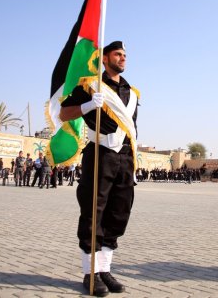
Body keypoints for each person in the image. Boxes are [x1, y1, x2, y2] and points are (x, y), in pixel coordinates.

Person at [60, 41, 139, 297]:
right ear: (104, 58)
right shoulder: (90, 86)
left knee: (118, 213)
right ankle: (90, 273)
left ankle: (105, 269)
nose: (123, 58)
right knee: (94, 210)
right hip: (100, 154)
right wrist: (87, 106)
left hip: (125, 158)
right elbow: (63, 114)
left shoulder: (132, 92)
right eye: (118, 54)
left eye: (125, 55)